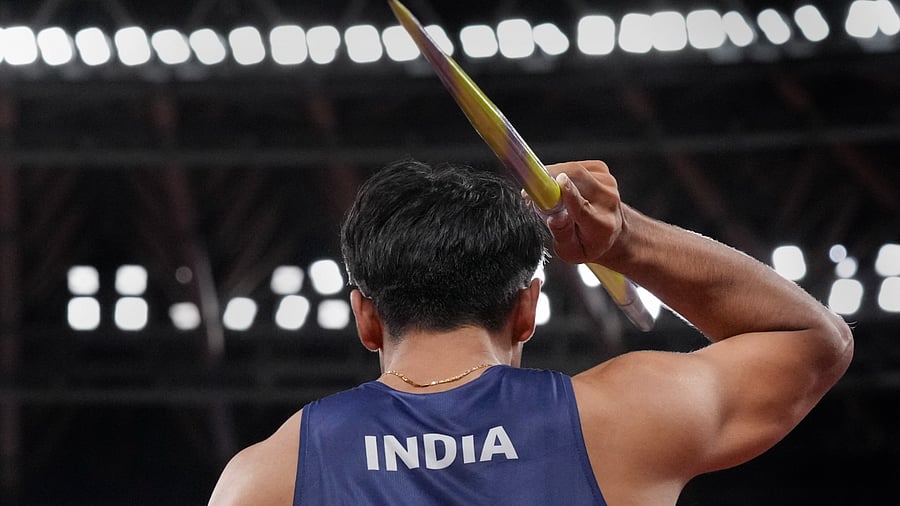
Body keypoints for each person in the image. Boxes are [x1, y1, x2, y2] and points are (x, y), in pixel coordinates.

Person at [208, 159, 853, 505]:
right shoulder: (623, 419)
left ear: (366, 317)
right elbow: (815, 339)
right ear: (528, 309)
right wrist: (625, 238)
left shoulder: (268, 477)